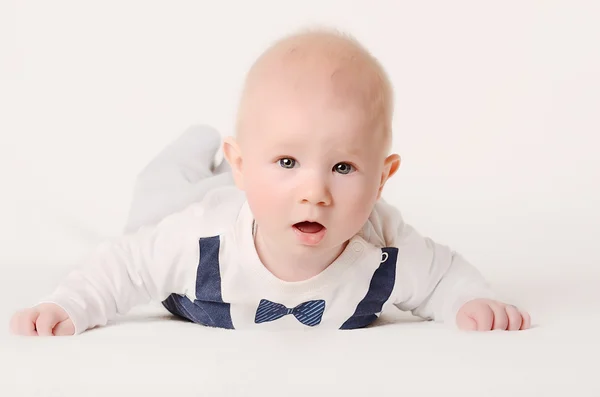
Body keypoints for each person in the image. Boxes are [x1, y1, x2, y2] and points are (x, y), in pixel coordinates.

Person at [9, 29, 531, 336]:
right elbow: (123, 267)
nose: (315, 192)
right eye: (288, 161)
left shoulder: (383, 250)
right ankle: (201, 146)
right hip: (196, 209)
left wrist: (471, 301)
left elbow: (443, 276)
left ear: (381, 181)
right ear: (243, 163)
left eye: (343, 168)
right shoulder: (200, 239)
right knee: (156, 201)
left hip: (248, 191)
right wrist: (69, 307)